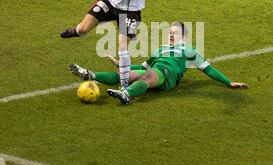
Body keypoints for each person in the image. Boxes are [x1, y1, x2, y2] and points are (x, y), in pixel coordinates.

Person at [69, 22, 249, 105]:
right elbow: (142, 67)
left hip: (167, 76)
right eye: (170, 32)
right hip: (155, 72)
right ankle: (90, 75)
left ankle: (126, 95)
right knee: (128, 75)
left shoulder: (189, 51)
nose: (171, 35)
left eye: (175, 33)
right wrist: (121, 65)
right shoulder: (160, 51)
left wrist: (228, 82)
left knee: (148, 75)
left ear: (184, 37)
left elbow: (208, 69)